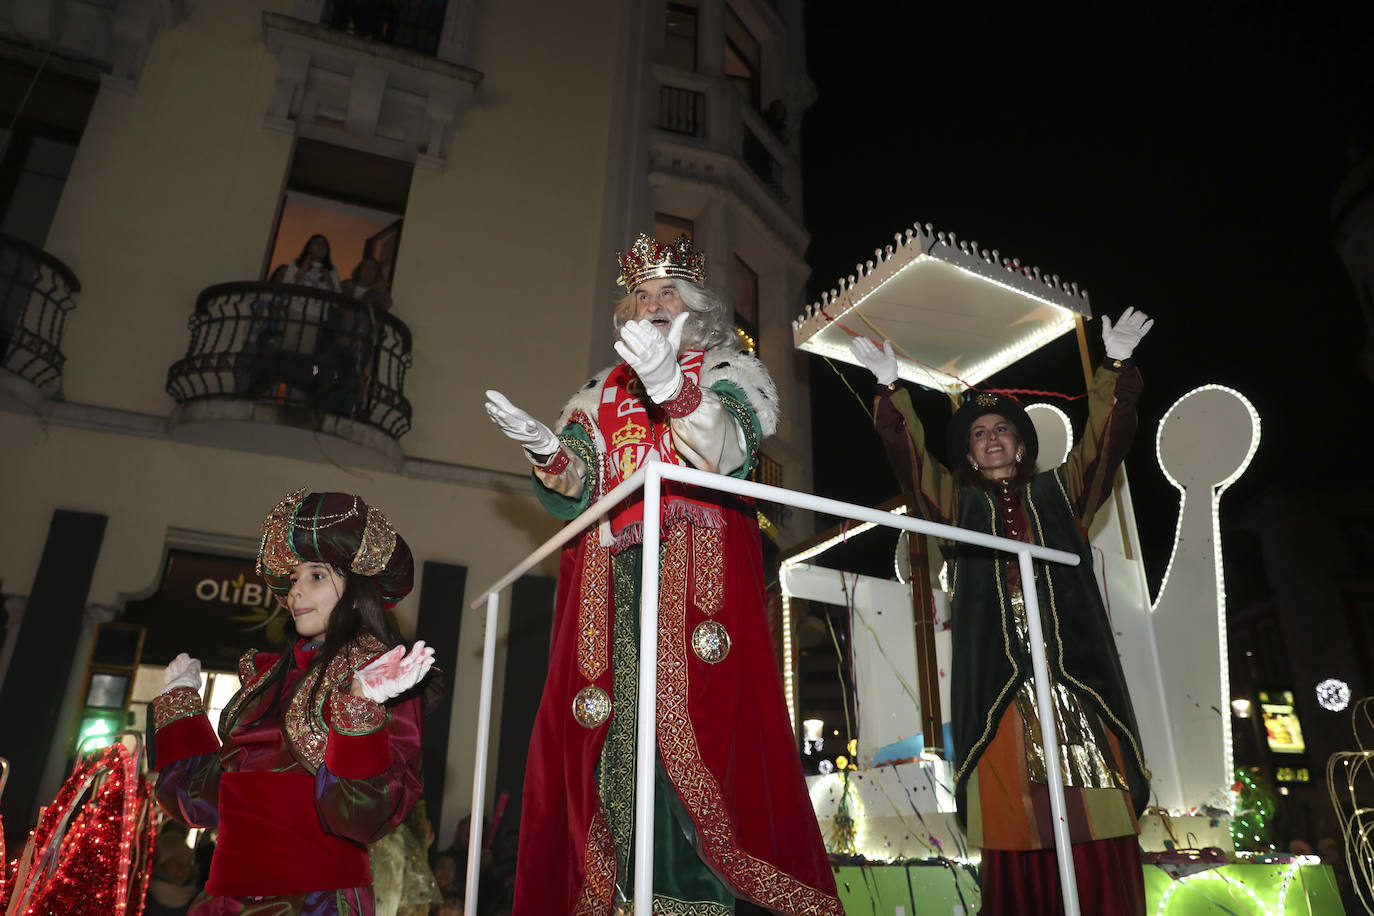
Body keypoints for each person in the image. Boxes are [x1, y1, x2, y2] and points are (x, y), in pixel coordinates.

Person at [483, 234, 841, 916]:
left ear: (699, 307)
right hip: (612, 577)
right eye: (641, 296)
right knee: (613, 732)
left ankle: (696, 895)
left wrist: (675, 389)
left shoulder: (731, 367)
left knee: (701, 724)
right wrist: (545, 449)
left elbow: (731, 448)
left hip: (697, 570)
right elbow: (580, 479)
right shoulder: (599, 389)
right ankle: (618, 894)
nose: (652, 305)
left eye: (668, 292)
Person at [850, 308, 1156, 916]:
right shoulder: (955, 505)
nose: (991, 439)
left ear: (1021, 443)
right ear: (969, 452)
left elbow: (1107, 441)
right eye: (979, 434)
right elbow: (909, 462)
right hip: (1000, 686)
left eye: (1002, 431)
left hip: (1073, 679)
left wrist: (1114, 369)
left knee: (1093, 800)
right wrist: (890, 393)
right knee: (1011, 804)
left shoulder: (1062, 493)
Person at [151, 488, 436, 915]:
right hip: (223, 903)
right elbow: (199, 803)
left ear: (358, 592)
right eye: (294, 579)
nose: (295, 592)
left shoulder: (385, 680)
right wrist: (181, 710)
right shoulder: (266, 680)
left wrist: (359, 708)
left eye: (316, 576)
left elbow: (362, 817)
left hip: (315, 904)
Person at [278, 234, 343, 292]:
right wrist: (301, 271)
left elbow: (338, 300)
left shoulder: (332, 270)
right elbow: (284, 289)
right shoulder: (296, 263)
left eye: (324, 244)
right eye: (317, 243)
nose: (321, 246)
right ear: (309, 248)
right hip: (296, 304)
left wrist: (330, 282)